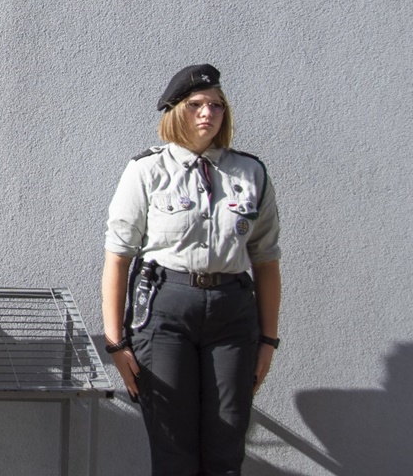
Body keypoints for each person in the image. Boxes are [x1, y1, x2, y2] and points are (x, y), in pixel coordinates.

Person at [102, 64, 281, 476]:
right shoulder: (147, 170)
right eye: (196, 104)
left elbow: (267, 261)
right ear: (174, 111)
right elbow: (117, 258)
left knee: (226, 443)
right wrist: (116, 344)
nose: (208, 113)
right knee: (173, 447)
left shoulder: (250, 173)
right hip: (164, 311)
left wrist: (268, 340)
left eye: (216, 105)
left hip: (232, 314)